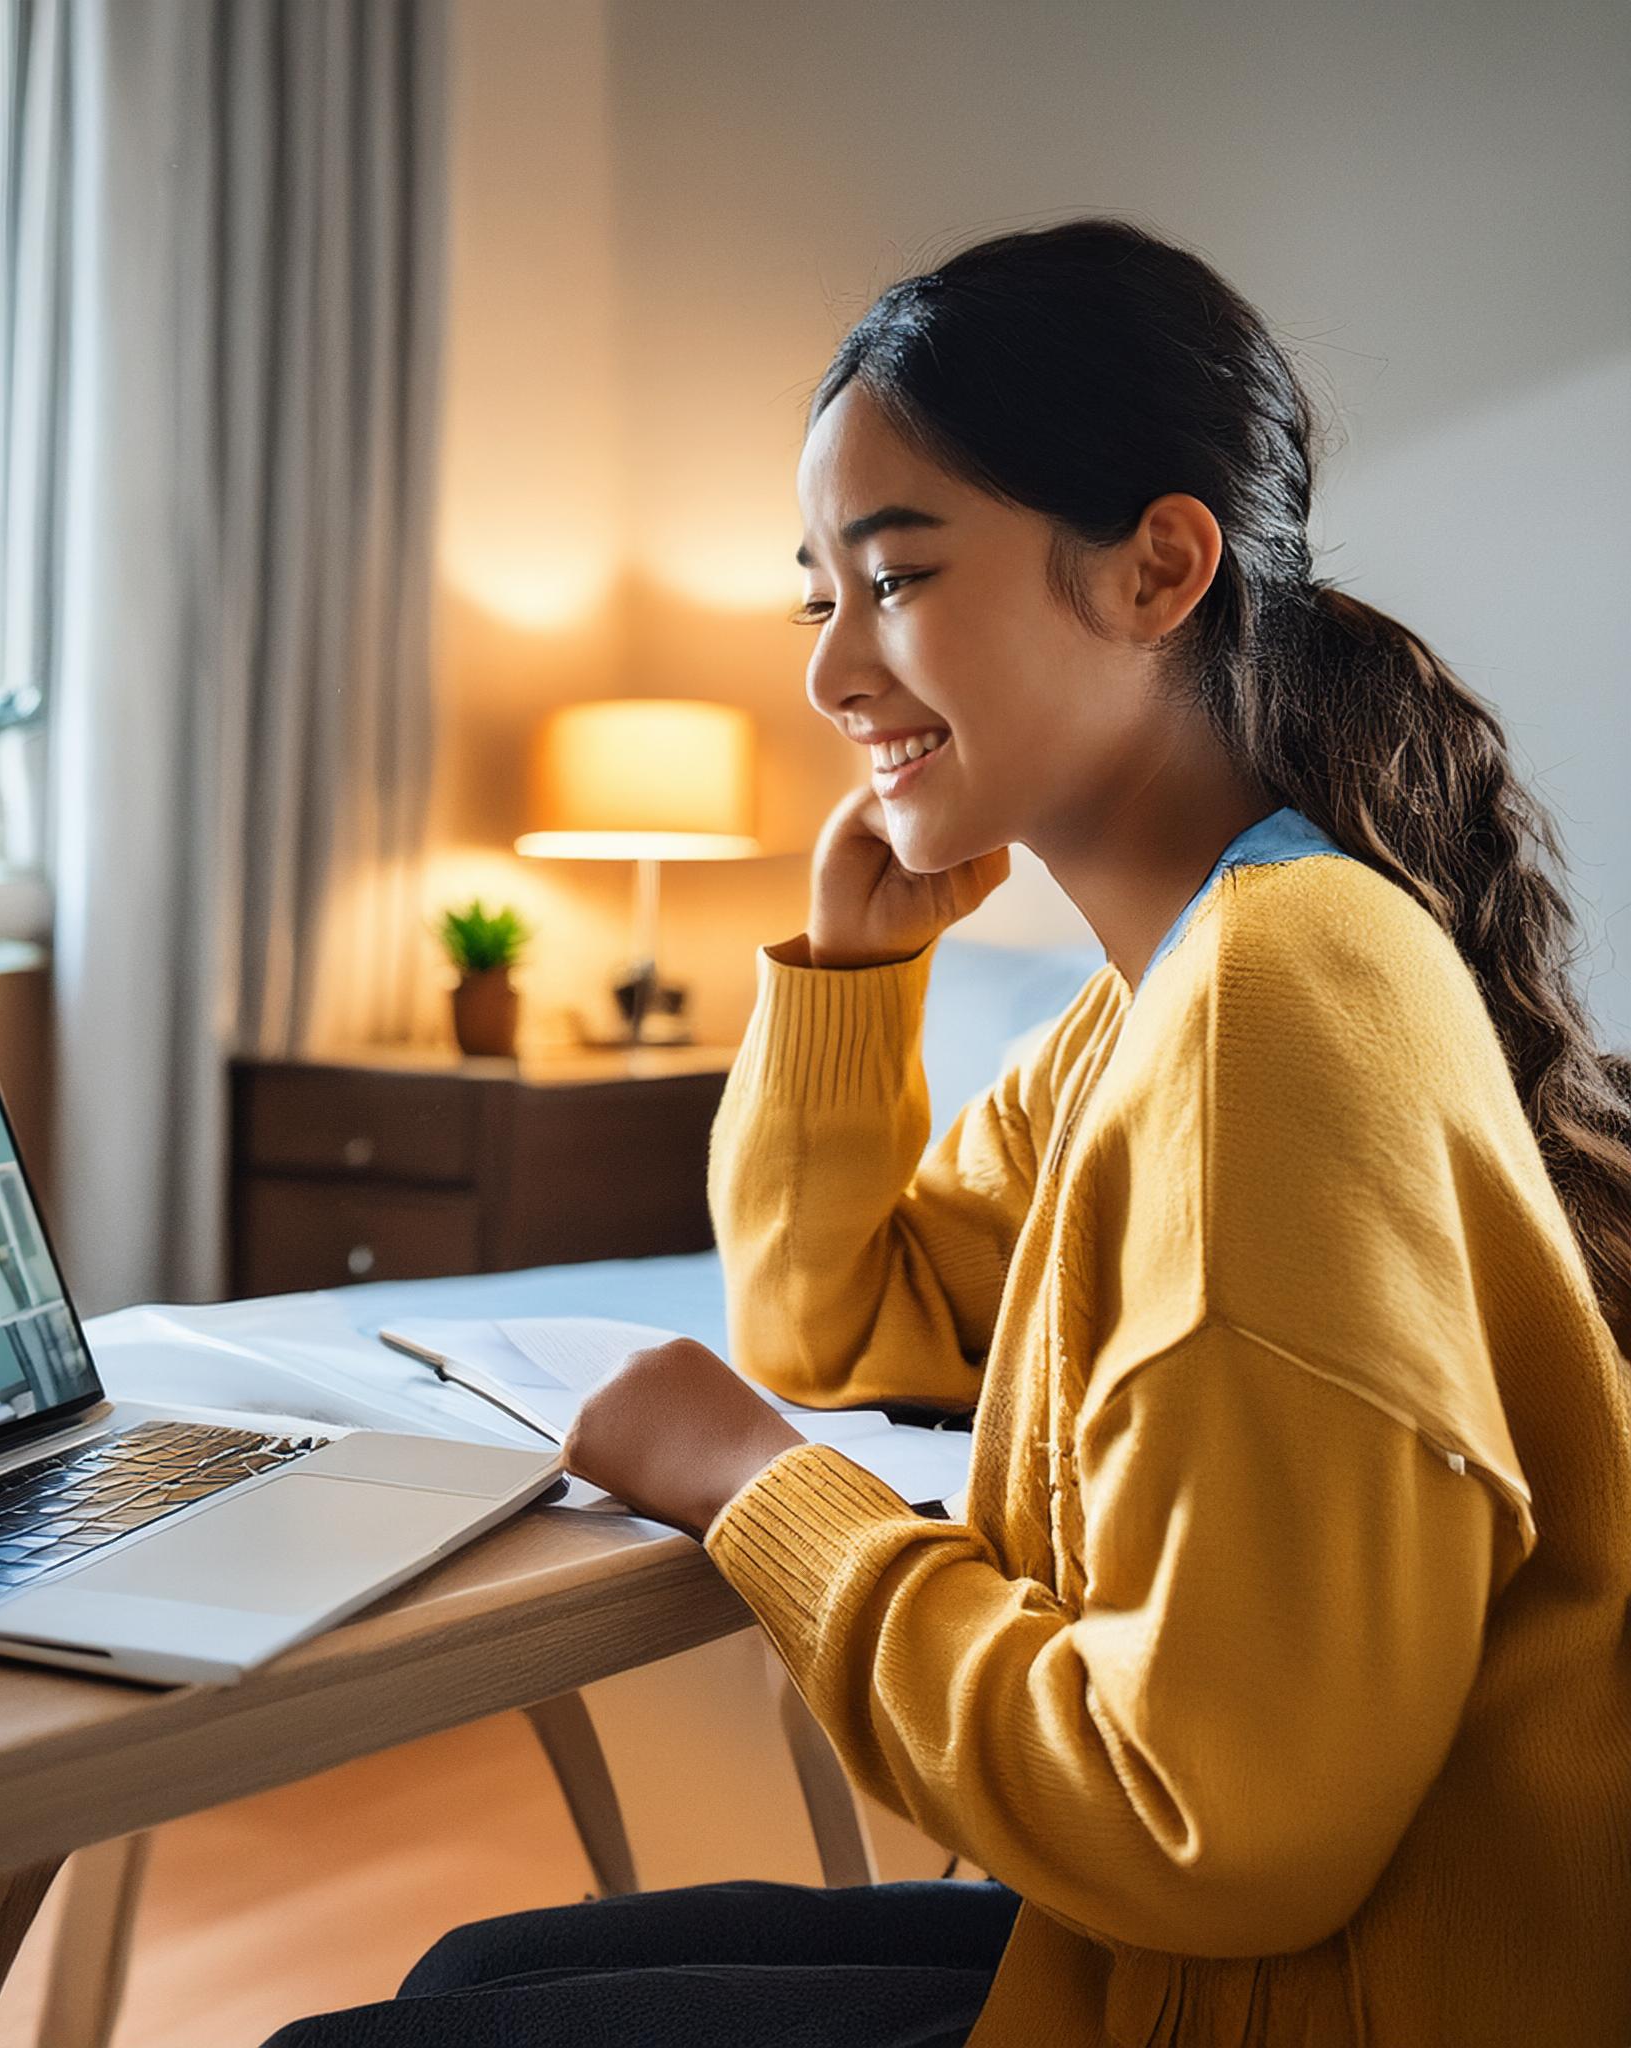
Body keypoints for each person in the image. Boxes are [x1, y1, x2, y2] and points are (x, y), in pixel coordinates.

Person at [265, 216, 1631, 2047]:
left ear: (1156, 569)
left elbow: (1213, 1832)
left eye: (894, 577)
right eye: (813, 598)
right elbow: (840, 1317)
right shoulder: (1161, 993)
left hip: (1314, 1985)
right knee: (473, 1980)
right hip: (1238, 1953)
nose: (832, 673)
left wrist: (756, 1484)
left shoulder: (1273, 999)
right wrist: (846, 976)